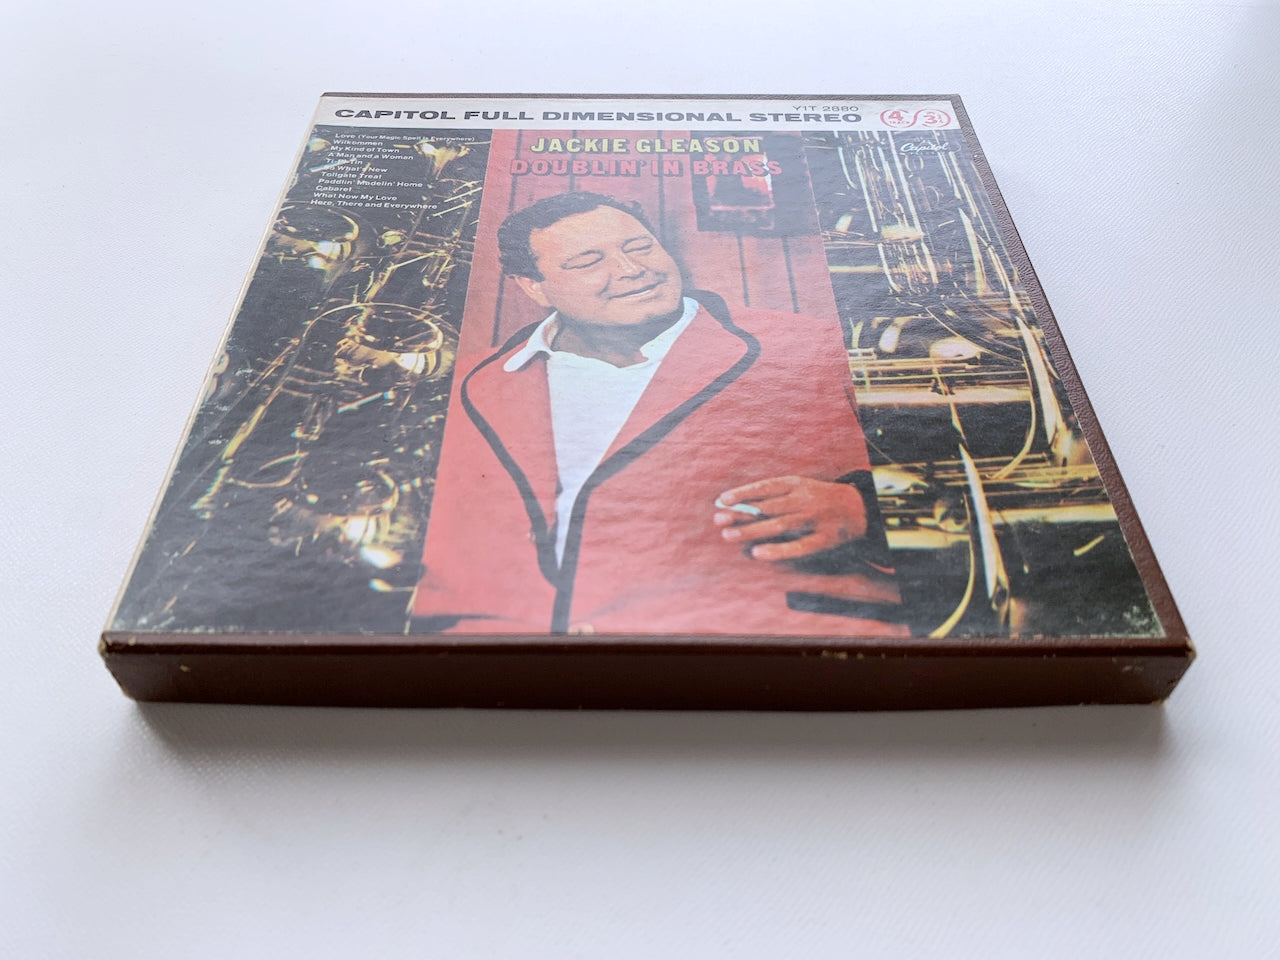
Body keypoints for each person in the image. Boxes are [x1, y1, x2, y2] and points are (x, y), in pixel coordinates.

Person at [412, 191, 905, 636]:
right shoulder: (463, 382)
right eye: (588, 261)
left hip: (772, 650)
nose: (631, 269)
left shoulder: (818, 347)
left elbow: (940, 464)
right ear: (534, 287)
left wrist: (863, 508)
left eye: (640, 247)